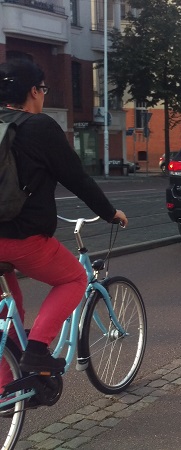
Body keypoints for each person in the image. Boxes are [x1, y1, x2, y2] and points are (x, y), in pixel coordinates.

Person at [0, 58, 128, 375]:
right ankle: (38, 351)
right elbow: (77, 179)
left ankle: (6, 391)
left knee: (9, 309)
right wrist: (110, 213)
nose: (43, 95)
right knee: (74, 278)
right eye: (42, 89)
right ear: (33, 91)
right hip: (22, 239)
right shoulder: (39, 127)